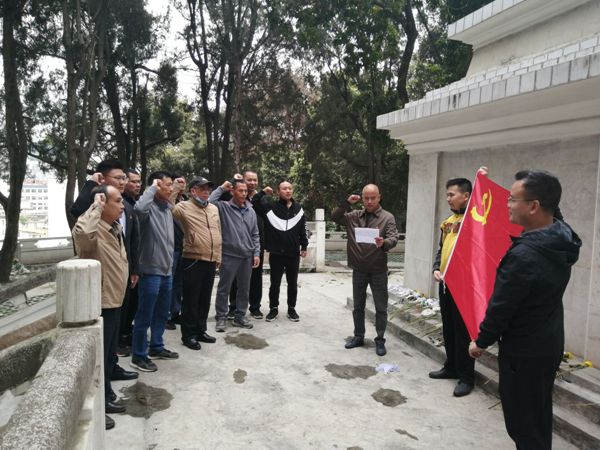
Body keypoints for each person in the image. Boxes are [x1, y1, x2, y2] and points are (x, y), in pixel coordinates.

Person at [469, 170, 581, 449]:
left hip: (524, 353)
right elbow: (555, 211)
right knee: (538, 414)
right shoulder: (562, 238)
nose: (506, 204)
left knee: (523, 424)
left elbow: (502, 307)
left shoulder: (524, 256)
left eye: (511, 199)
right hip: (548, 343)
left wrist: (481, 341)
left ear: (533, 207)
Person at [70, 159, 139, 381]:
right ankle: (105, 387)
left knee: (112, 342)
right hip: (104, 295)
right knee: (103, 344)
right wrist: (94, 193)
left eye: (124, 178)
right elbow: (81, 227)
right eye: (118, 178)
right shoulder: (94, 222)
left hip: (118, 290)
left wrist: (134, 269)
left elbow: (133, 242)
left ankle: (112, 370)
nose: (123, 181)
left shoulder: (116, 223)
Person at [72, 185, 129, 430]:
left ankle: (106, 396)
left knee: (108, 357)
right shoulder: (93, 230)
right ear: (103, 202)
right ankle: (97, 407)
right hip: (102, 302)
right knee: (98, 360)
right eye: (118, 201)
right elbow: (82, 234)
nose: (122, 206)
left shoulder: (114, 227)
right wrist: (96, 205)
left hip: (115, 299)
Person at [332, 184, 399, 356]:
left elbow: (394, 238)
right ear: (362, 198)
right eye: (366, 198)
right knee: (358, 306)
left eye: (373, 198)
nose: (369, 201)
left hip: (378, 271)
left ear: (379, 197)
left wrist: (384, 242)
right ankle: (358, 336)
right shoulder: (354, 216)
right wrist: (347, 202)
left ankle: (380, 339)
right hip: (359, 270)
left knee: (381, 308)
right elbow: (335, 216)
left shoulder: (387, 217)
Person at [429, 177, 476, 397]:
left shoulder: (474, 222)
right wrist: (436, 268)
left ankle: (466, 377)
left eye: (451, 194)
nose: (448, 198)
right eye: (447, 194)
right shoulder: (447, 222)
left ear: (465, 196)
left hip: (465, 286)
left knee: (462, 332)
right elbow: (441, 249)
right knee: (448, 327)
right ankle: (451, 367)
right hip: (446, 284)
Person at [131, 171, 180, 372]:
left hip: (166, 270)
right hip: (150, 271)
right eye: (167, 185)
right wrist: (151, 187)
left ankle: (156, 346)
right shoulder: (148, 208)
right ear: (157, 185)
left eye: (171, 185)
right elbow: (138, 208)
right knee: (145, 315)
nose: (171, 188)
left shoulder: (167, 209)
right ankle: (139, 355)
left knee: (161, 313)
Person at [172, 177, 222, 350]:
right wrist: (176, 188)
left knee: (204, 299)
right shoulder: (183, 207)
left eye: (208, 188)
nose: (206, 191)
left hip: (211, 259)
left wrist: (218, 255)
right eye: (202, 188)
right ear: (193, 191)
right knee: (191, 300)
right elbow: (168, 207)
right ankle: (189, 335)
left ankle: (201, 330)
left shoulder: (213, 208)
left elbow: (218, 232)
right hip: (192, 259)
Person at [252, 179, 308, 322]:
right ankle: (273, 308)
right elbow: (254, 202)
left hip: (293, 253)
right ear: (278, 192)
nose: (288, 191)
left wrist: (304, 246)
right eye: (284, 188)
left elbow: (302, 230)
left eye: (290, 188)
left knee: (292, 283)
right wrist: (263, 192)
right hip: (276, 253)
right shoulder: (270, 208)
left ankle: (291, 309)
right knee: (275, 283)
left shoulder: (299, 209)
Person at [209, 178, 260, 332]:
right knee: (224, 288)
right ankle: (221, 317)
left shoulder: (250, 210)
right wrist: (221, 188)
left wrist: (256, 253)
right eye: (240, 190)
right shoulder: (223, 207)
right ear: (232, 191)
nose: (244, 193)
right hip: (229, 255)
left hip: (247, 256)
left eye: (246, 191)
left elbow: (255, 234)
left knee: (244, 288)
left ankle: (240, 316)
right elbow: (209, 202)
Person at [226, 170, 266, 319]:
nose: (252, 183)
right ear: (243, 180)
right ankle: (233, 307)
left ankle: (255, 307)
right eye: (249, 180)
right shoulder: (233, 197)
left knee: (256, 276)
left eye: (255, 180)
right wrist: (232, 181)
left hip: (256, 243)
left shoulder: (262, 200)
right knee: (235, 277)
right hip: (236, 244)